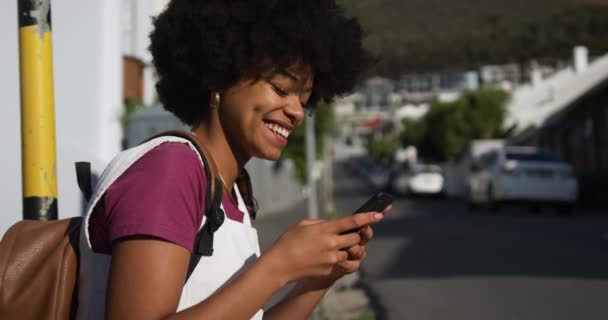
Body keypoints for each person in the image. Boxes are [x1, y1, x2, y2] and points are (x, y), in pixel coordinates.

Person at [76, 1, 390, 319]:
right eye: (281, 88)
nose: (296, 111)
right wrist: (280, 264)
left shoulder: (231, 194)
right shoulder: (170, 169)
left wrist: (320, 279)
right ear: (220, 75)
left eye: (304, 99)